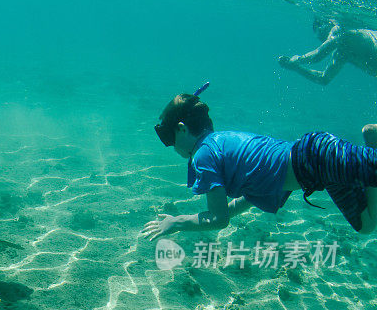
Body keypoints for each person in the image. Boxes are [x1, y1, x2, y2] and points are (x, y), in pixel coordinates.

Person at [142, 89, 377, 241]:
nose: (171, 147)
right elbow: (232, 208)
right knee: (366, 225)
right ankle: (372, 146)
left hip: (317, 158)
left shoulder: (203, 155)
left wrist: (177, 222)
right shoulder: (219, 141)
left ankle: (372, 149)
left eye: (168, 138)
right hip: (320, 167)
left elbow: (218, 219)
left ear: (182, 128)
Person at [278, 17, 377, 85]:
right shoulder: (341, 52)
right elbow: (323, 79)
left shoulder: (339, 30)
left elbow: (316, 57)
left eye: (319, 33)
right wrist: (296, 68)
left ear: (323, 25)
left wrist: (297, 59)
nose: (322, 41)